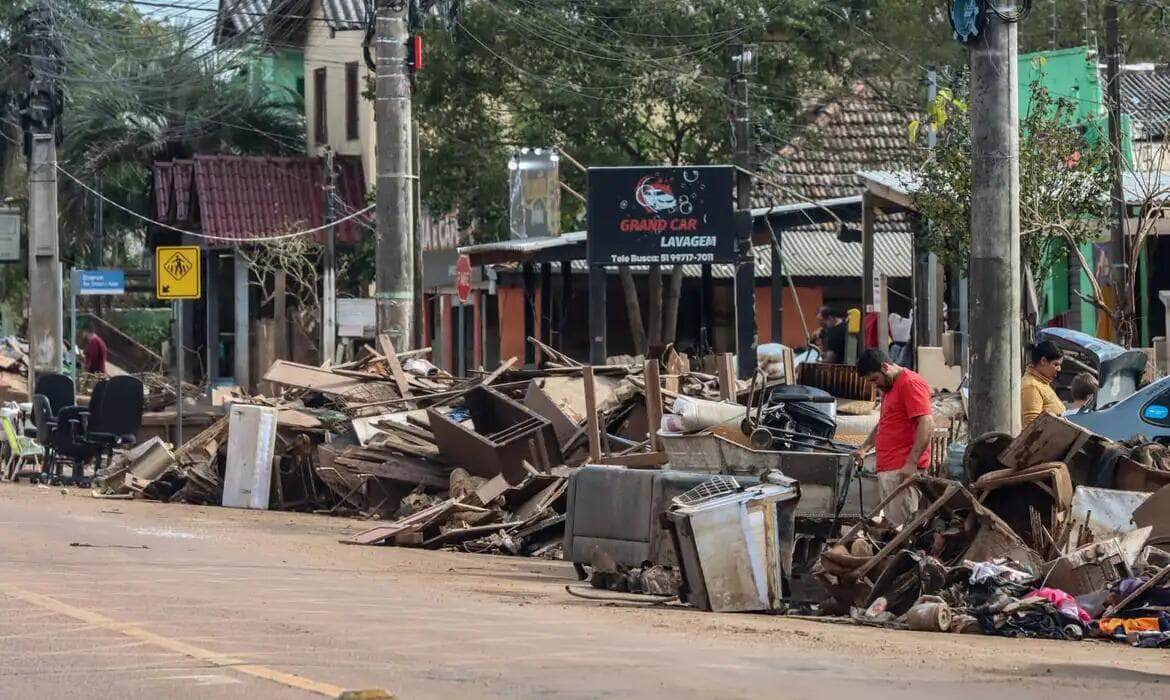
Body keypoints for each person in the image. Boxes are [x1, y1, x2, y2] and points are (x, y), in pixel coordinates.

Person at [850, 349, 935, 528]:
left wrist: (911, 463)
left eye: (874, 379)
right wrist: (865, 448)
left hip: (902, 471)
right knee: (893, 527)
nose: (875, 386)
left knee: (904, 530)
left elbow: (926, 424)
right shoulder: (890, 387)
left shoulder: (910, 383)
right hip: (891, 470)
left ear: (885, 367)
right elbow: (885, 422)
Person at [1021, 341, 1065, 429]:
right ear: (1043, 361)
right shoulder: (1032, 386)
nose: (1059, 369)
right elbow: (1031, 427)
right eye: (1056, 364)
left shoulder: (1042, 382)